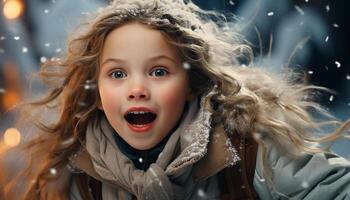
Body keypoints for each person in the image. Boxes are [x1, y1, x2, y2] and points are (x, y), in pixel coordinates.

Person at [2, 0, 350, 199]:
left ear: (192, 83)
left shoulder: (248, 153)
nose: (137, 89)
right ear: (97, 89)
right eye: (118, 74)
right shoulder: (76, 176)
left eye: (158, 72)